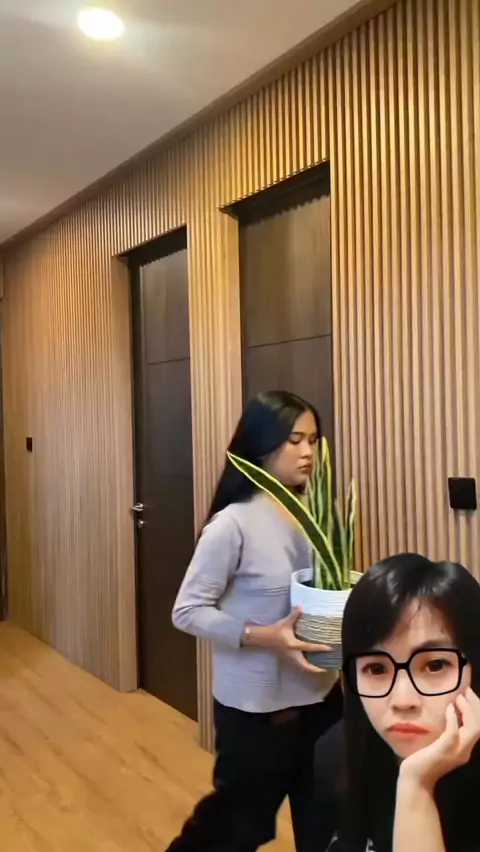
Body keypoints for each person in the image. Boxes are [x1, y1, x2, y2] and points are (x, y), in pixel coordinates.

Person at [166, 390, 343, 852]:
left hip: (323, 701)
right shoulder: (233, 524)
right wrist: (267, 636)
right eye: (294, 440)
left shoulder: (315, 515)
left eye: (313, 440)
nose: (307, 452)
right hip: (258, 714)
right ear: (262, 445)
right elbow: (187, 610)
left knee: (326, 828)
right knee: (233, 832)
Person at [314, 553, 480, 852]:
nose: (403, 701)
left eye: (435, 665)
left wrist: (416, 785)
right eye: (376, 669)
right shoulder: (335, 755)